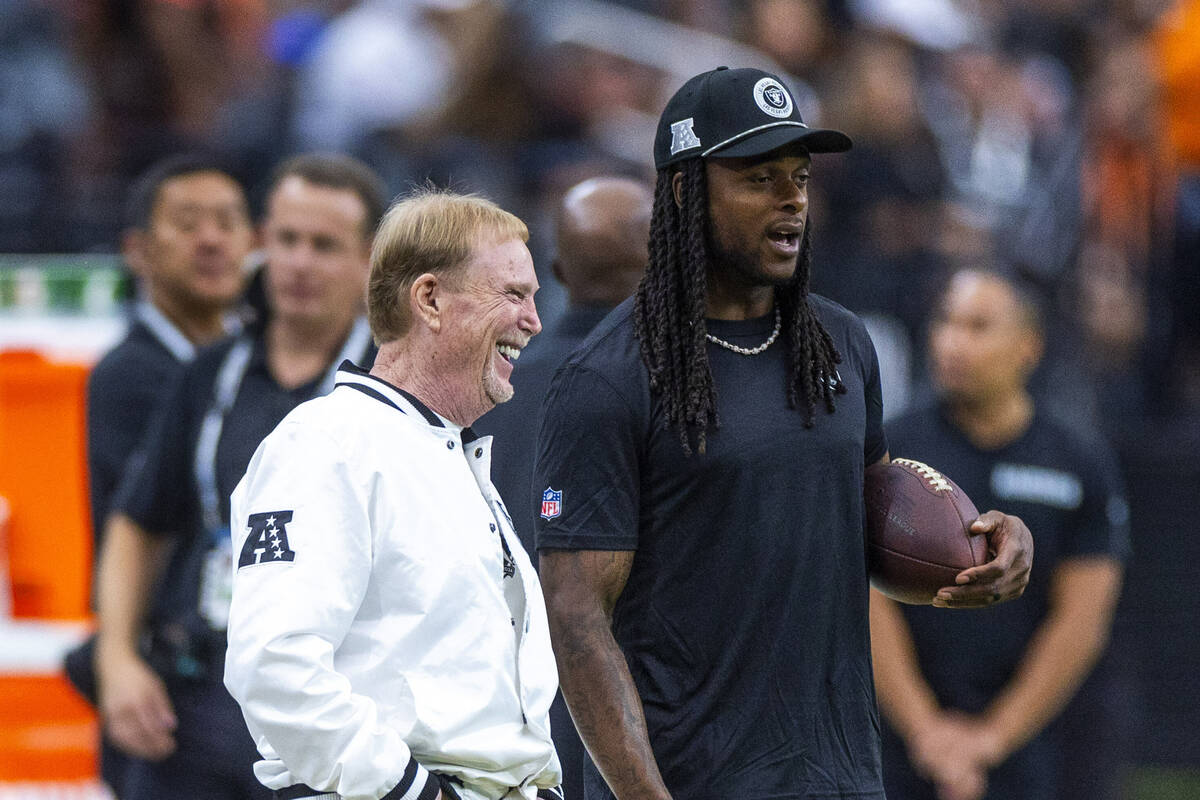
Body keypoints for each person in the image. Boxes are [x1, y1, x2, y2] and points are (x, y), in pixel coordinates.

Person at [531, 66, 1035, 800]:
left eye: (798, 176)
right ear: (684, 190)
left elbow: (866, 525)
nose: (792, 198)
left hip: (838, 775)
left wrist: (984, 549)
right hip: (689, 780)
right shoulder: (608, 377)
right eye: (759, 177)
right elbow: (575, 622)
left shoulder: (842, 343)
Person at [223, 189, 563, 800]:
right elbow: (274, 665)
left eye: (534, 297)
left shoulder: (448, 451)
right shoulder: (325, 445)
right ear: (429, 299)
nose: (534, 320)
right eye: (513, 295)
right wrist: (411, 791)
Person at [92, 153, 386, 800]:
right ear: (262, 243)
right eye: (286, 240)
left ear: (370, 259)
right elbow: (138, 523)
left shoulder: (393, 385)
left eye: (325, 245)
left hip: (333, 703)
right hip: (200, 692)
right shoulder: (211, 372)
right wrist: (117, 658)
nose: (300, 263)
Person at [870, 268, 1128, 800]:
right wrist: (926, 731)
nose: (953, 342)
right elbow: (865, 599)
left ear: (1028, 347)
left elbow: (1081, 621)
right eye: (945, 322)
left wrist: (991, 739)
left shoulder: (1078, 461)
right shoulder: (891, 451)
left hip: (1038, 736)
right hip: (900, 735)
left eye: (978, 326)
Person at [73, 153, 254, 797]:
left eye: (229, 221)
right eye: (186, 223)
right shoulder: (131, 376)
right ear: (138, 251)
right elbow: (157, 530)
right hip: (168, 685)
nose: (211, 238)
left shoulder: (252, 370)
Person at [476, 175, 652, 800]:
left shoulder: (485, 384)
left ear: (555, 269)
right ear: (663, 260)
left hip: (501, 695)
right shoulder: (683, 385)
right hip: (643, 695)